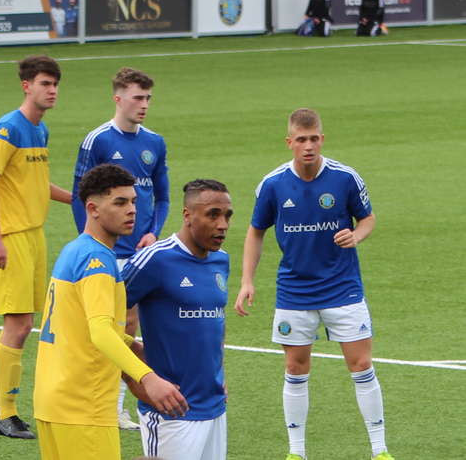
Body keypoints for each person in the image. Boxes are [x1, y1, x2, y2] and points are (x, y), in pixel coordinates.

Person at [234, 109, 394, 460]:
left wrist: (357, 235)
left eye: (314, 138)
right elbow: (255, 231)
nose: (308, 146)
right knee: (294, 368)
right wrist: (247, 280)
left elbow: (367, 217)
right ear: (289, 142)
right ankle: (297, 452)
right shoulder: (272, 184)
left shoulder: (345, 178)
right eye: (301, 140)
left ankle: (380, 450)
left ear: (322, 138)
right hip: (295, 290)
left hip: (343, 287)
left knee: (361, 365)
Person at [34, 163, 188, 460]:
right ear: (92, 208)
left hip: (53, 401)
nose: (131, 210)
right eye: (119, 202)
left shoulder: (75, 250)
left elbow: (78, 324)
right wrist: (147, 378)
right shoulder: (98, 261)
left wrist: (132, 344)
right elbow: (100, 331)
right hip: (83, 405)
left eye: (133, 201)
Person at [0, 55, 72, 440]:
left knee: (22, 322)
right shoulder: (8, 128)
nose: (52, 91)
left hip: (34, 234)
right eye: (45, 84)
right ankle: (7, 413)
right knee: (20, 324)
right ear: (26, 86)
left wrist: (80, 198)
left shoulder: (39, 130)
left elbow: (38, 183)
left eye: (55, 85)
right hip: (10, 236)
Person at [71, 67, 169, 430]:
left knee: (130, 325)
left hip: (141, 249)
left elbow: (162, 195)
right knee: (102, 327)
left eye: (147, 98)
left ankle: (117, 407)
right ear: (118, 98)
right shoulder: (97, 140)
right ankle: (93, 402)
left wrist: (154, 232)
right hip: (106, 249)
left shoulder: (155, 142)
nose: (144, 105)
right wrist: (92, 242)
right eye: (137, 98)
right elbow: (80, 196)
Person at [123, 179, 232, 460]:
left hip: (214, 406)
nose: (223, 224)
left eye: (227, 215)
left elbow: (215, 322)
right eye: (213, 214)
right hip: (171, 413)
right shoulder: (153, 260)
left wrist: (218, 372)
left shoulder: (221, 261)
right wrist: (138, 379)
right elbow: (104, 320)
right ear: (187, 215)